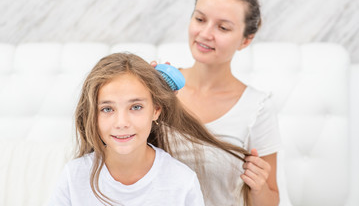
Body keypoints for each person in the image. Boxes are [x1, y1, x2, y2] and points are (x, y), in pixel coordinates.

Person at [48, 53, 251, 206]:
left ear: (155, 110)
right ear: (93, 116)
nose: (122, 122)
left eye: (136, 107)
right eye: (107, 109)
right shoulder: (73, 177)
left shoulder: (181, 182)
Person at [153, 0, 281, 206]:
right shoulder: (158, 88)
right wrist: (137, 97)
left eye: (223, 28)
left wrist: (258, 186)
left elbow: (271, 199)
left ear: (245, 40)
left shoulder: (257, 108)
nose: (205, 34)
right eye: (200, 19)